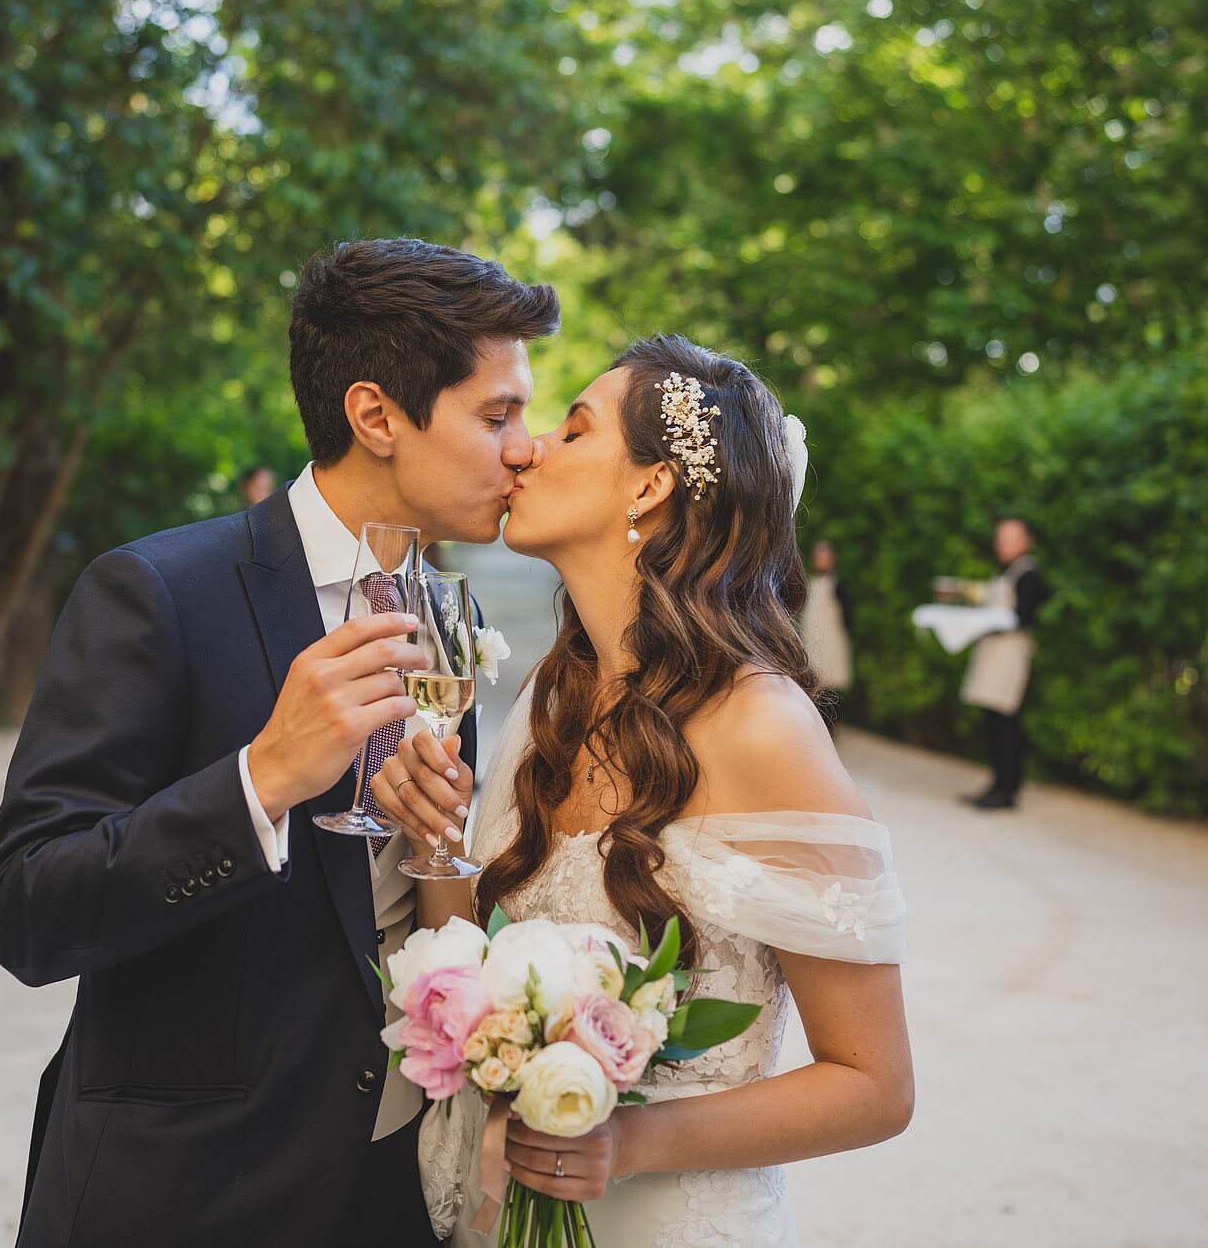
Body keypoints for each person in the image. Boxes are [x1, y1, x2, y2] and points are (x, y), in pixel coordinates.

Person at [0, 238, 559, 1247]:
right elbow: (29, 911)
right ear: (375, 414)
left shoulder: (448, 613)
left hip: (390, 1193)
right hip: (186, 1194)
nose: (526, 448)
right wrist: (261, 781)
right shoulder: (158, 593)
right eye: (496, 415)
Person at [374, 336, 913, 1247]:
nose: (528, 448)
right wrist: (434, 836)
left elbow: (875, 1083)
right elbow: (466, 973)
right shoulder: (554, 693)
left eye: (573, 430)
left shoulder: (763, 726)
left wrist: (629, 1138)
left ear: (649, 486)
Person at [958, 516, 1050, 810]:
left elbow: (1023, 618)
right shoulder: (1007, 572)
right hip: (993, 655)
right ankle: (999, 784)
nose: (1004, 546)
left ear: (1026, 541)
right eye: (1001, 539)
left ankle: (1006, 790)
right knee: (994, 721)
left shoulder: (1029, 574)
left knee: (1005, 722)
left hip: (1009, 656)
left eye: (1010, 539)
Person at [799, 539, 854, 698]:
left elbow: (847, 614)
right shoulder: (811, 582)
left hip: (832, 639)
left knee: (831, 683)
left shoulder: (838, 583)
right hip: (812, 639)